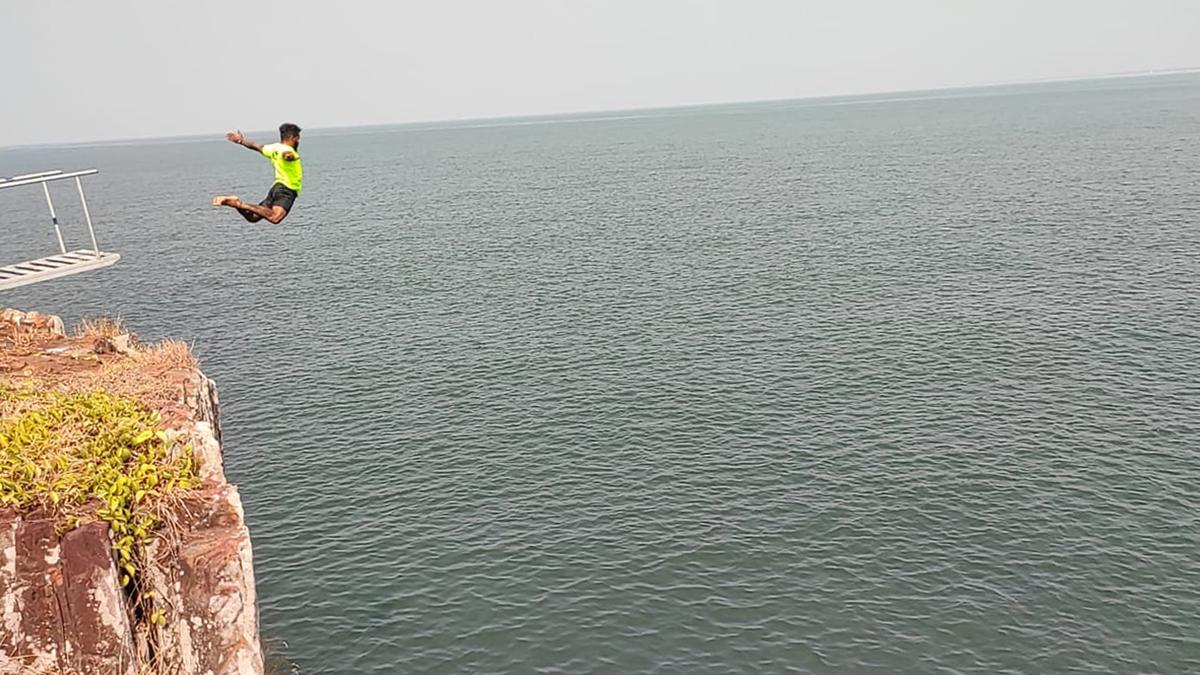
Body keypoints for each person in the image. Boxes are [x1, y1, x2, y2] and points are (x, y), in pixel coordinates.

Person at [213, 123, 303, 224]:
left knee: (253, 217)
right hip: (287, 189)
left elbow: (256, 146)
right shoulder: (288, 150)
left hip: (277, 188)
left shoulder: (274, 148)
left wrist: (241, 141)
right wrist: (289, 156)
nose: (298, 142)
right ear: (292, 137)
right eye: (297, 138)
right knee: (275, 217)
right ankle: (240, 204)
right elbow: (286, 155)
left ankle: (234, 203)